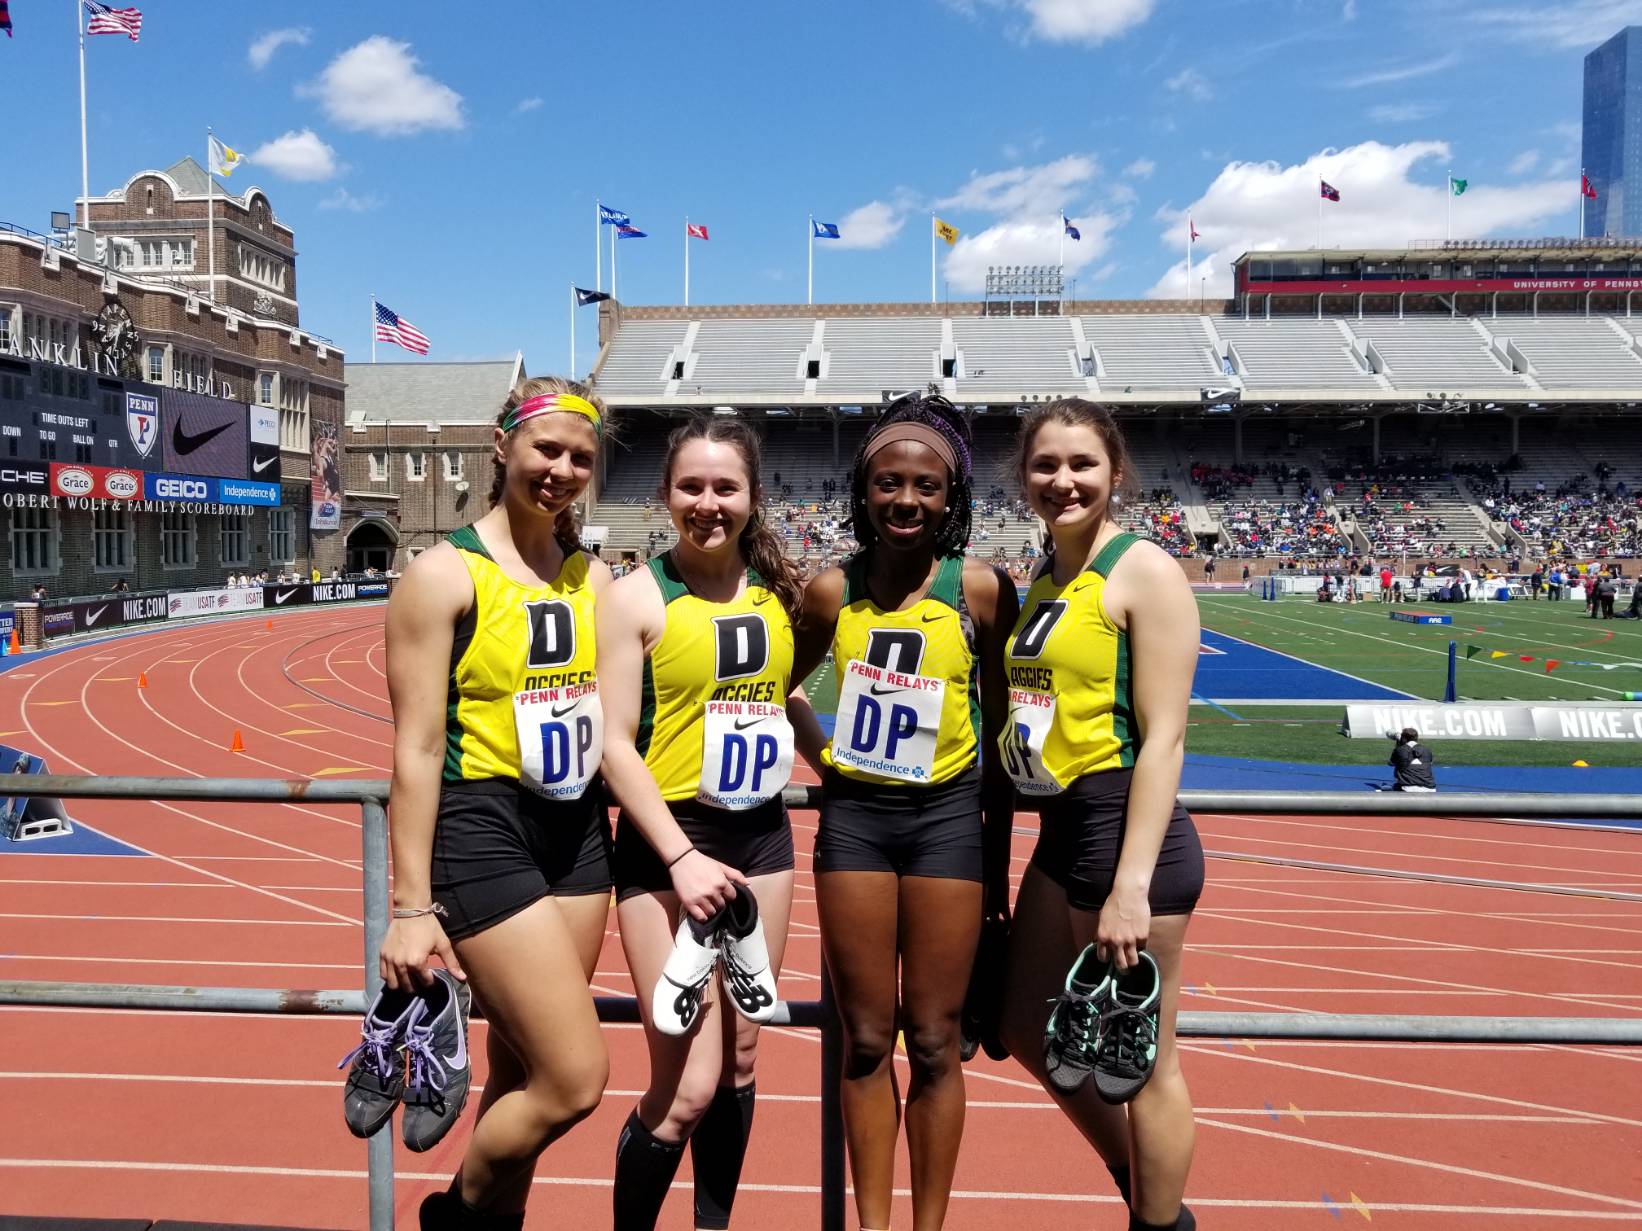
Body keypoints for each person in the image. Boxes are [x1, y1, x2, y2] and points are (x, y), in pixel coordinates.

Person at [372, 378, 615, 1229]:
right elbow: (418, 747)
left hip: (580, 834)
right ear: (503, 446)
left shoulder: (593, 575)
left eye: (581, 456)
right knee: (576, 1076)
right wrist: (410, 907)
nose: (562, 468)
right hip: (484, 830)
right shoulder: (443, 575)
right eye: (547, 448)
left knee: (522, 1076)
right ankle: (456, 1214)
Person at [788, 395, 1017, 1231]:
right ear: (863, 490)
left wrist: (998, 856)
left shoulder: (984, 591)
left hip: (948, 823)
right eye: (889, 483)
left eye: (926, 485)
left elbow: (1002, 726)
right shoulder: (828, 592)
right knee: (863, 1039)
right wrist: (826, 760)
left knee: (933, 1039)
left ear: (951, 498)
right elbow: (773, 688)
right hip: (855, 825)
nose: (907, 500)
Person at [997, 399, 1203, 1231]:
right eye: (1046, 465)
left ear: (1115, 471)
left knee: (1146, 1064)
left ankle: (1159, 1224)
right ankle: (1133, 1177)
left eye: (1082, 463)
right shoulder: (1048, 576)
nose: (1063, 480)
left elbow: (1165, 740)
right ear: (1024, 478)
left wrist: (1132, 887)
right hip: (1063, 832)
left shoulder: (1142, 568)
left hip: (1126, 835)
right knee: (1021, 1023)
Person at [596, 417, 805, 1231]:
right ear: (665, 492)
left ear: (753, 496)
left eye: (726, 487)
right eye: (692, 486)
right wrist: (680, 857)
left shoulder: (777, 592)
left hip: (763, 840)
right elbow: (613, 744)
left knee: (744, 1058)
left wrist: (839, 765)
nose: (708, 503)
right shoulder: (636, 597)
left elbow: (780, 696)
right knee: (683, 1087)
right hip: (665, 849)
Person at [1387, 728, 1436, 793]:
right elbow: (1430, 763)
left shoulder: (1399, 750)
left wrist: (1398, 744)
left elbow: (1391, 763)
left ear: (1403, 738)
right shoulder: (1427, 750)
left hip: (1407, 789)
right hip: (1430, 789)